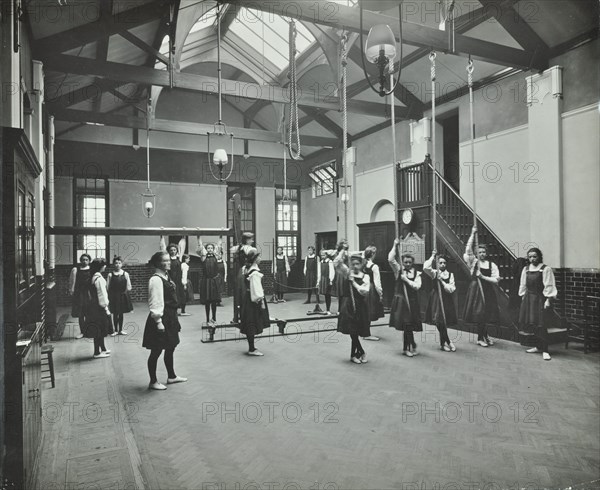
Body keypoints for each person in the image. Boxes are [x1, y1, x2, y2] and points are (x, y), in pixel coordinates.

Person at [143, 251, 187, 390]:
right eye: (165, 261)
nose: (168, 263)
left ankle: (171, 376)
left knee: (170, 347)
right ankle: (153, 381)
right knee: (156, 351)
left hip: (171, 317)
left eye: (169, 260)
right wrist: (158, 321)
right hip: (162, 318)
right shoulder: (156, 279)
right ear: (157, 263)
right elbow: (155, 301)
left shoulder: (166, 276)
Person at [463, 226, 500, 347]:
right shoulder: (473, 262)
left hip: (487, 290)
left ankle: (485, 335)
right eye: (479, 252)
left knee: (486, 314)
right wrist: (473, 234)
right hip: (476, 290)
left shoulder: (492, 264)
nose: (482, 254)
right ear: (476, 253)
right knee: (479, 314)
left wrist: (483, 277)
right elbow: (468, 249)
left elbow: (495, 280)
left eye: (484, 252)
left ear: (486, 253)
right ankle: (480, 338)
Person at [519, 247, 557, 361]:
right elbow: (523, 285)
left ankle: (545, 350)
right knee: (533, 324)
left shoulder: (545, 269)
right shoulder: (525, 269)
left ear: (539, 257)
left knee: (542, 324)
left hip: (540, 299)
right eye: (530, 257)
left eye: (534, 256)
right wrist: (523, 298)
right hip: (529, 299)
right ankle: (538, 347)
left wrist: (548, 300)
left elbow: (549, 285)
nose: (532, 259)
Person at [335, 250, 371, 364]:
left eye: (357, 264)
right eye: (353, 264)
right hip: (347, 304)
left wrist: (354, 282)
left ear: (361, 264)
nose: (355, 266)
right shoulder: (347, 272)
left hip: (360, 305)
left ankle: (354, 355)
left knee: (356, 330)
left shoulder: (365, 276)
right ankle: (360, 352)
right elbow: (336, 263)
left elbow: (364, 291)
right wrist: (342, 250)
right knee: (352, 330)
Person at [388, 240, 423, 357]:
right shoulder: (399, 270)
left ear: (412, 262)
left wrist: (406, 280)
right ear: (402, 262)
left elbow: (417, 286)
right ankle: (407, 347)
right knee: (407, 325)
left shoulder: (416, 273)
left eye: (409, 262)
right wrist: (394, 245)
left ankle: (411, 344)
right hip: (402, 302)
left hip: (412, 302)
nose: (407, 264)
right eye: (405, 262)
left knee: (410, 325)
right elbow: (390, 259)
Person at [424, 250, 457, 352]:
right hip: (436, 299)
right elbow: (425, 267)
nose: (442, 265)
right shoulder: (434, 272)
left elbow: (451, 289)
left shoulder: (450, 275)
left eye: (444, 263)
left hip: (446, 299)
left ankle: (443, 344)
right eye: (440, 263)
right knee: (439, 321)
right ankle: (447, 341)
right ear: (437, 263)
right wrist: (433, 256)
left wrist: (442, 282)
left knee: (443, 321)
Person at [239, 248, 270, 356]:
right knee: (252, 322)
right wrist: (261, 302)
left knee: (249, 322)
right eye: (259, 257)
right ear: (255, 259)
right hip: (253, 300)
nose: (260, 258)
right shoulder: (254, 272)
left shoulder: (246, 269)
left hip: (247, 298)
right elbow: (257, 290)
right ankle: (251, 349)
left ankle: (251, 347)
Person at [84, 258, 112, 359]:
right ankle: (97, 352)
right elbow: (102, 295)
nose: (105, 267)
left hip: (93, 306)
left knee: (99, 329)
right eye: (104, 265)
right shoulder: (99, 279)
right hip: (99, 307)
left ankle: (103, 348)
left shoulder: (93, 277)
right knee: (99, 329)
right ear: (100, 267)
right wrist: (105, 307)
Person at [160, 236, 188, 316]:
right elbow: (163, 247)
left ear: (176, 251)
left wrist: (183, 237)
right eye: (171, 250)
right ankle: (172, 311)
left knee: (181, 295)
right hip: (171, 279)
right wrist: (161, 236)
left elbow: (182, 245)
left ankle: (183, 311)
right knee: (171, 296)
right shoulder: (167, 258)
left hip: (178, 280)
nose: (173, 251)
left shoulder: (179, 258)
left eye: (174, 250)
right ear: (169, 251)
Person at [231, 232, 255, 323]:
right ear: (247, 240)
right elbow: (254, 254)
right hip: (246, 272)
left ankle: (240, 316)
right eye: (251, 239)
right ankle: (245, 316)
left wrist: (240, 246)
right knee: (246, 294)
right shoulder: (250, 249)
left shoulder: (239, 248)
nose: (252, 241)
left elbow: (232, 250)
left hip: (241, 273)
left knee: (241, 294)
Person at [197, 239, 221, 325]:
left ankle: (214, 318)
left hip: (213, 281)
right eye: (208, 248)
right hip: (206, 281)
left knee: (214, 301)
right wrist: (198, 236)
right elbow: (200, 245)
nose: (210, 249)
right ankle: (207, 319)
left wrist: (221, 236)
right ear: (206, 249)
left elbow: (218, 245)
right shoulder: (203, 257)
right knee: (207, 301)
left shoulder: (216, 257)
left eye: (211, 248)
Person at [107, 256, 133, 336]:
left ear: (121, 264)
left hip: (122, 296)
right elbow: (107, 286)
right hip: (114, 296)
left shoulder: (125, 274)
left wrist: (125, 293)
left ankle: (120, 330)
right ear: (113, 264)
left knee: (121, 313)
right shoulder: (110, 275)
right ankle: (115, 330)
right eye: (116, 263)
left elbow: (128, 286)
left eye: (119, 263)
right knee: (115, 313)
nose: (117, 265)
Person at [68, 253, 91, 339]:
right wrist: (72, 291)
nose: (84, 261)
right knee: (81, 314)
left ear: (89, 261)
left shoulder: (91, 270)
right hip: (80, 293)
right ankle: (82, 332)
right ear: (80, 261)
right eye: (83, 260)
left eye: (86, 260)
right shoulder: (76, 270)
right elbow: (72, 282)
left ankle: (88, 331)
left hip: (89, 293)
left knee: (89, 313)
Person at [363, 246, 384, 341]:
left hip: (362, 287)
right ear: (372, 255)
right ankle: (366, 334)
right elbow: (377, 283)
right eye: (375, 254)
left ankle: (364, 331)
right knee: (369, 310)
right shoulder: (374, 267)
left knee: (364, 310)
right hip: (370, 289)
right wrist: (380, 294)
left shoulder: (362, 264)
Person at [318, 249, 335, 314]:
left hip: (328, 280)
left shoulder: (330, 262)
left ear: (327, 255)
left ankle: (328, 309)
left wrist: (331, 280)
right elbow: (319, 272)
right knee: (325, 295)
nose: (322, 256)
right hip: (323, 279)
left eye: (324, 255)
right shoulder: (321, 262)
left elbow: (332, 271)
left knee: (328, 295)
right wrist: (318, 281)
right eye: (321, 255)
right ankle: (327, 309)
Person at [216, 237, 227, 306]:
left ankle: (219, 301)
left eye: (220, 254)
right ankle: (215, 301)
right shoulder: (215, 261)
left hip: (221, 277)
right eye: (218, 254)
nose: (219, 255)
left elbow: (225, 271)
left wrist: (225, 278)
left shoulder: (224, 262)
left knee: (220, 290)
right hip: (216, 277)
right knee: (216, 290)